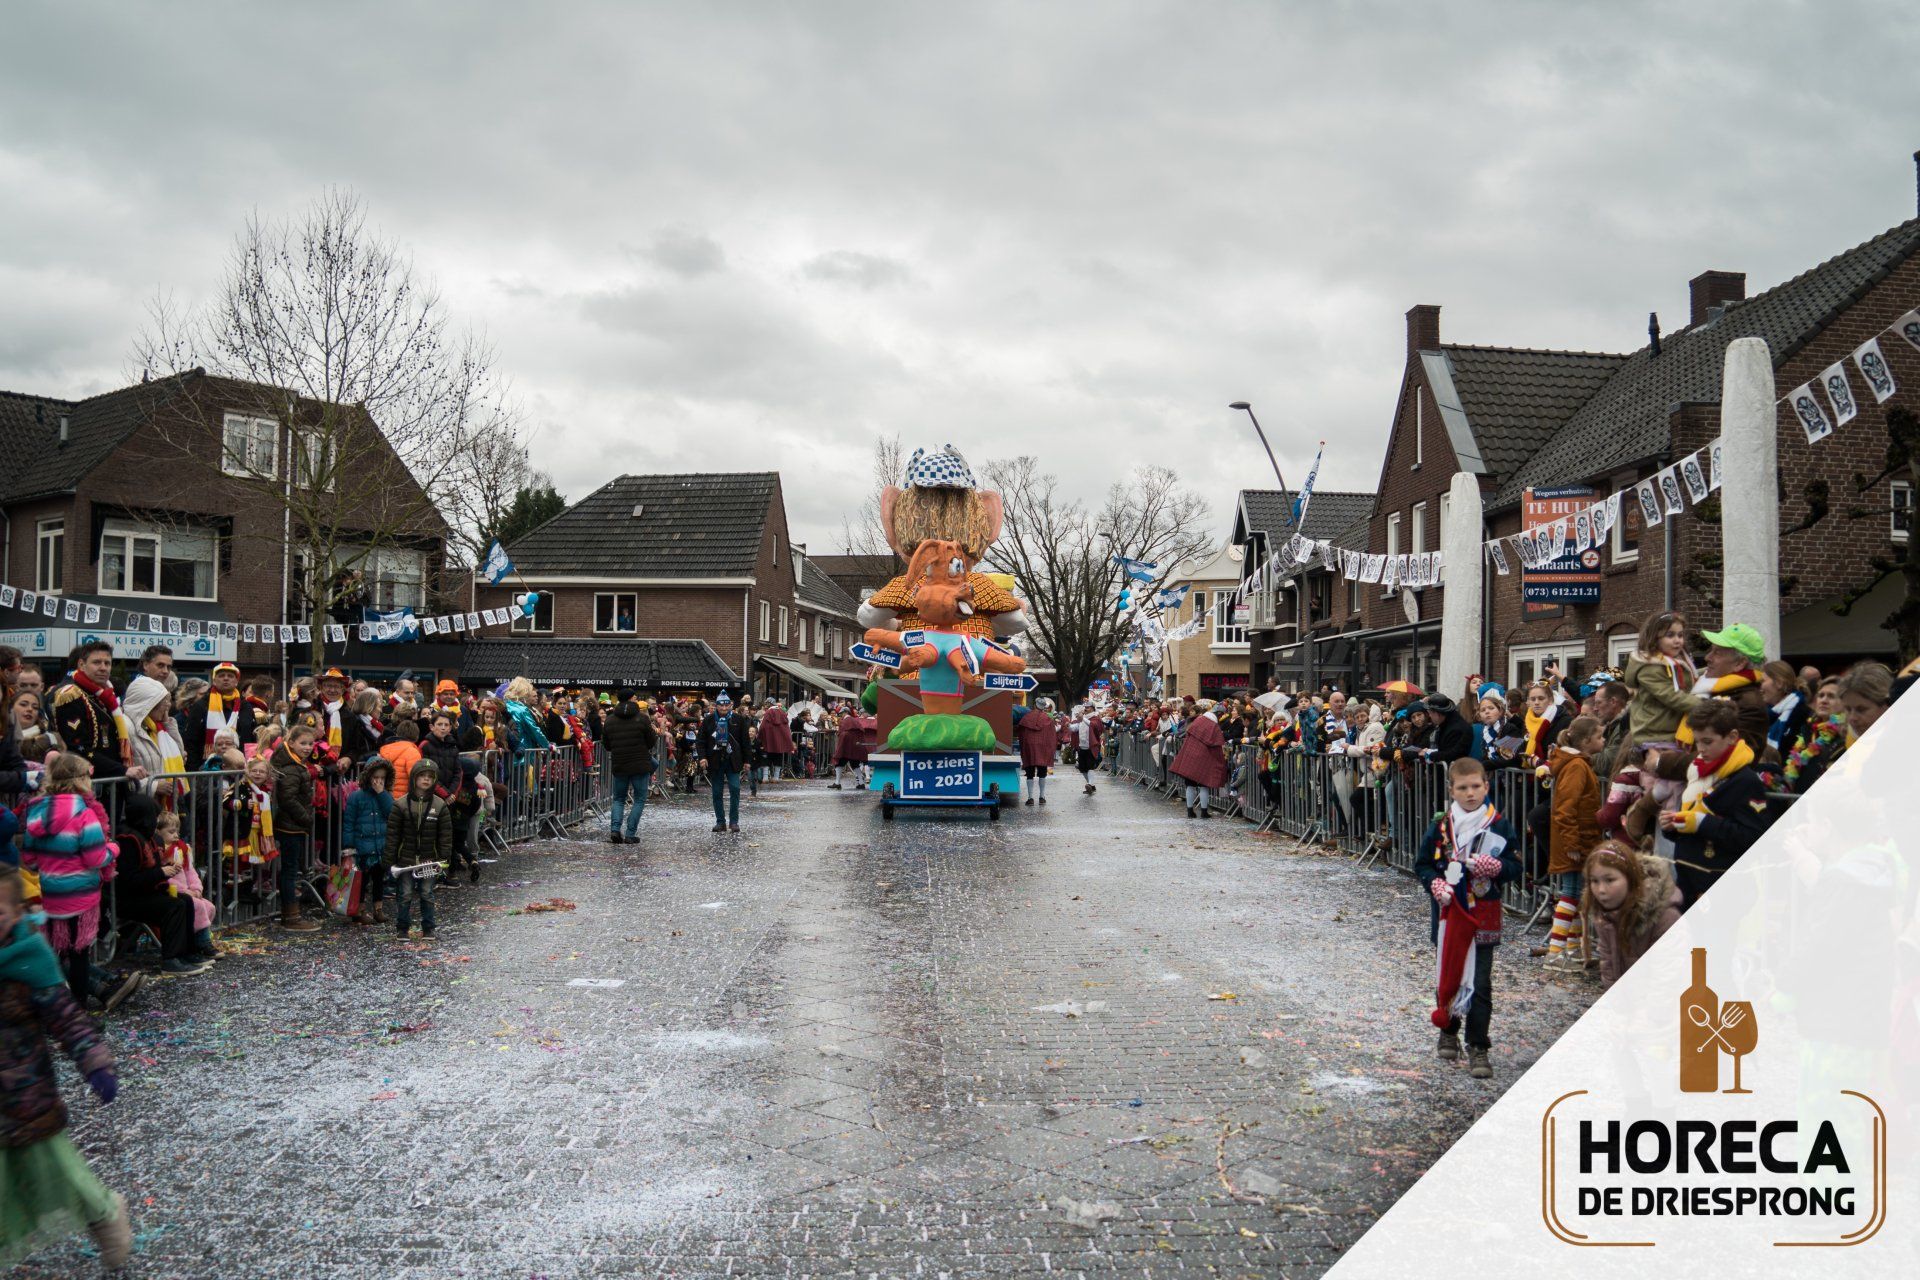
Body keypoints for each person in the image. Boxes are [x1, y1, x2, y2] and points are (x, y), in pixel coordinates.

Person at [0, 869, 131, 1272]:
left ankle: (105, 1214)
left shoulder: (29, 962)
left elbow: (67, 1019)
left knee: (62, 1174)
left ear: (17, 913)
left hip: (25, 1098)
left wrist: (95, 1063)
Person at [1415, 756, 1521, 1080]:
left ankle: (1478, 1045)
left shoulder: (1498, 824)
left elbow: (1516, 865)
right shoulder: (1441, 826)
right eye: (1463, 788)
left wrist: (1498, 868)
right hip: (1448, 914)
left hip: (1483, 916)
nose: (1470, 793)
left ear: (1486, 786)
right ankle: (1448, 1030)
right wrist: (1434, 883)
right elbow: (1423, 863)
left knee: (1480, 983)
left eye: (1476, 786)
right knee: (1448, 974)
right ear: (1452, 790)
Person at [16, 754, 117, 999]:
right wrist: (113, 849)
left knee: (56, 953)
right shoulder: (84, 814)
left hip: (52, 894)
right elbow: (95, 858)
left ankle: (57, 1005)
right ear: (80, 779)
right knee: (79, 954)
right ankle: (79, 1007)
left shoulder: (36, 810)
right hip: (80, 896)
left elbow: (29, 858)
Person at [1659, 700, 1768, 906]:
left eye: (1708, 742)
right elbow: (1691, 823)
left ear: (1732, 737)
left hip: (1721, 884)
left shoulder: (1745, 780)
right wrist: (1673, 825)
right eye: (1697, 742)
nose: (1700, 749)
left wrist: (1702, 823)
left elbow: (1753, 836)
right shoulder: (1698, 771)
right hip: (1688, 878)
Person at [109, 792, 209, 976]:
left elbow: (152, 867)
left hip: (148, 891)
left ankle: (187, 952)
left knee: (185, 901)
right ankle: (171, 959)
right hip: (131, 899)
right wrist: (161, 872)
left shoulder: (149, 837)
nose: (155, 822)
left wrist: (166, 867)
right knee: (174, 906)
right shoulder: (128, 840)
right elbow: (129, 879)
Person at [1541, 715, 1604, 972]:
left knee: (1575, 893)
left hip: (1580, 838)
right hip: (1576, 840)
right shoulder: (1577, 766)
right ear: (1586, 741)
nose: (1603, 740)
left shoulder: (1578, 763)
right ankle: (1556, 951)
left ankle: (1573, 947)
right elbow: (1565, 808)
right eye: (1599, 736)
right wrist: (1572, 843)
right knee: (1571, 892)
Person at [1581, 841, 1683, 989]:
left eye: (1610, 880)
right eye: (1594, 881)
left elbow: (1668, 981)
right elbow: (1608, 968)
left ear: (1630, 878)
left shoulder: (1666, 918)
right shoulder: (1605, 915)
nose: (1601, 889)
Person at [50, 642, 140, 782]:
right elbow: (77, 748)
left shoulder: (106, 695)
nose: (103, 668)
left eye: (107, 663)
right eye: (97, 662)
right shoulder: (71, 695)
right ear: (81, 664)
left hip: (111, 779)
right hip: (87, 780)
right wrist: (122, 770)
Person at [385, 758, 450, 938]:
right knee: (405, 894)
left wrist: (444, 858)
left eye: (430, 776)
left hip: (430, 859)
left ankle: (428, 928)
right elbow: (393, 835)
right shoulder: (400, 804)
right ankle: (402, 928)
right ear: (414, 777)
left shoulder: (440, 805)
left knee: (427, 893)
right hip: (405, 859)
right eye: (422, 775)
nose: (426, 779)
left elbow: (445, 835)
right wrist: (389, 860)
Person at [269, 724, 323, 933]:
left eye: (310, 744)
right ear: (291, 743)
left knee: (291, 869)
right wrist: (305, 818)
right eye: (303, 743)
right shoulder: (291, 768)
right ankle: (291, 916)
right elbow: (288, 799)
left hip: (294, 824)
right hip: (291, 825)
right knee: (290, 870)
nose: (308, 747)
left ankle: (292, 913)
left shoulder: (296, 764)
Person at [1622, 611, 1696, 752]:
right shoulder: (1649, 668)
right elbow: (1673, 697)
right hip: (1655, 737)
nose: (1677, 640)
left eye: (1680, 635)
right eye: (1670, 635)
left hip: (1670, 732)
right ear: (1654, 638)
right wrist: (1708, 706)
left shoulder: (1676, 662)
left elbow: (1691, 678)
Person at [344, 759, 395, 924]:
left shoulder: (386, 795)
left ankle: (378, 909)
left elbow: (392, 813)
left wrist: (382, 794)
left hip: (380, 845)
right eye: (375, 777)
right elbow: (349, 822)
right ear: (368, 777)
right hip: (362, 846)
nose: (378, 781)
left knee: (379, 879)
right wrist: (348, 846)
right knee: (362, 880)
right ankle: (359, 910)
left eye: (382, 778)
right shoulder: (356, 796)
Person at [601, 697, 657, 844]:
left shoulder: (610, 720)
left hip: (620, 763)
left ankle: (615, 830)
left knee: (618, 799)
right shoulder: (642, 719)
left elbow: (606, 744)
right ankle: (630, 834)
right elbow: (651, 741)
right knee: (639, 799)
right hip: (640, 764)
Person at [181, 661, 254, 771]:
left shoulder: (246, 707)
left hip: (240, 769)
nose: (226, 678)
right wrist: (194, 772)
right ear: (214, 680)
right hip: (207, 769)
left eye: (230, 676)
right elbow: (190, 741)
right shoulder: (200, 706)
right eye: (221, 675)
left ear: (236, 681)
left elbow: (251, 739)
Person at [699, 693, 751, 832]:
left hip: (733, 759)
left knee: (735, 789)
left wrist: (747, 760)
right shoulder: (709, 720)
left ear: (730, 705)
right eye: (721, 705)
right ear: (716, 706)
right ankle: (720, 821)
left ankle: (734, 821)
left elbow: (745, 741)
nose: (723, 708)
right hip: (715, 760)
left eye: (726, 705)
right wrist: (702, 757)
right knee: (717, 792)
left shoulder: (738, 719)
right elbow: (701, 740)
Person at [1170, 699, 1228, 817]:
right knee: (1203, 784)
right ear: (1219, 714)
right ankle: (1204, 811)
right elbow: (1217, 744)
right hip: (1205, 758)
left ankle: (1190, 811)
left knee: (1190, 784)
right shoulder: (1214, 726)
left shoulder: (1198, 720)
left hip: (1190, 755)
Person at [1759, 661, 1810, 759]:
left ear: (1779, 683)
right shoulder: (1767, 715)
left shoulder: (1802, 713)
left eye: (1762, 681)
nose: (1759, 687)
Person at [1016, 698, 1058, 805]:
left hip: (1029, 747)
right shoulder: (1048, 719)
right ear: (1043, 707)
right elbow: (1052, 736)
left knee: (1029, 773)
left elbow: (1020, 733)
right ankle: (1042, 797)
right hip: (1043, 748)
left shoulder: (1026, 717)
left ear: (1035, 705)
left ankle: (1030, 798)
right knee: (1042, 773)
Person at [1419, 693, 1474, 763]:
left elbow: (1451, 754)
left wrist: (1430, 755)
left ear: (1437, 714)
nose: (1429, 716)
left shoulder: (1456, 729)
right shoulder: (1447, 723)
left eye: (1430, 713)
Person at [378, 719, 423, 797]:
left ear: (397, 733)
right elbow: (416, 779)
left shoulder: (386, 749)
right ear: (416, 736)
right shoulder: (413, 752)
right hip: (402, 799)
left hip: (383, 796)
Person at [1068, 703, 1105, 795]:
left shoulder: (1095, 718)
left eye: (1087, 708)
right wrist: (1068, 725)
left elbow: (1094, 726)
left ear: (1092, 708)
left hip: (1091, 746)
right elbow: (1075, 728)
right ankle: (1091, 785)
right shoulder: (1083, 719)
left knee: (1090, 766)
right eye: (1085, 707)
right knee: (1082, 768)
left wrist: (1083, 718)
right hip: (1081, 746)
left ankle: (1090, 784)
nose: (1085, 709)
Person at [756, 700, 793, 781]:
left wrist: (759, 736)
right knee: (778, 757)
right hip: (779, 741)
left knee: (766, 757)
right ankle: (776, 777)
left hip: (768, 740)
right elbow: (787, 728)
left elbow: (762, 727)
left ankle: (765, 777)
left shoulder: (768, 713)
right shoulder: (783, 713)